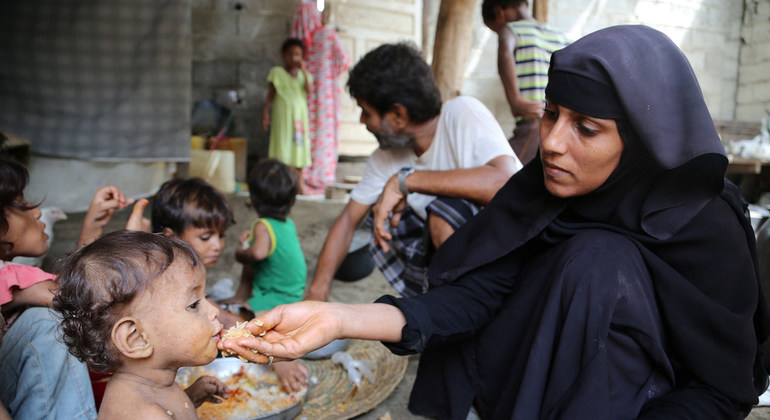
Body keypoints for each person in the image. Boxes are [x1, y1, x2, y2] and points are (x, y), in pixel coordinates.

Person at [220, 25, 770, 419]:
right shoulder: (545, 192)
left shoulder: (704, 222)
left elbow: (721, 390)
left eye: (587, 127)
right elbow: (476, 299)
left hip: (656, 402)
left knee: (601, 261)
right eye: (551, 114)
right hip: (539, 385)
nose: (551, 143)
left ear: (642, 141)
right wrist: (337, 318)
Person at [304, 42, 520, 301]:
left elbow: (505, 182)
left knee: (446, 211)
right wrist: (317, 292)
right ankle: (444, 302)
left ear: (398, 114)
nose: (363, 121)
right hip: (457, 265)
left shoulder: (462, 113)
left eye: (366, 112)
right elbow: (348, 222)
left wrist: (406, 181)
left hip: (513, 254)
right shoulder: (385, 159)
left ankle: (468, 308)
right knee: (377, 213)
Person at [0, 158, 149, 420]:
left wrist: (92, 229)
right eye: (23, 205)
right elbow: (84, 298)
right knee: (48, 322)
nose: (36, 212)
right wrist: (133, 250)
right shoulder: (7, 276)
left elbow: (73, 289)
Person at [149, 177, 309, 392]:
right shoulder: (162, 280)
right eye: (206, 237)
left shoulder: (189, 274)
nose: (218, 245)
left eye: (221, 235)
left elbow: (212, 309)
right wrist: (271, 353)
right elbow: (215, 314)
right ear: (170, 236)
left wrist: (271, 350)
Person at [52, 231, 230, 418]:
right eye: (193, 305)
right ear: (136, 338)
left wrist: (189, 398)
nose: (214, 311)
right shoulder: (144, 414)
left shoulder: (150, 384)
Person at [481, 0, 568, 165]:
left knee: (505, 172)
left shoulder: (511, 29)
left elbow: (505, 51)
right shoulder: (559, 35)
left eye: (494, 28)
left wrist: (515, 100)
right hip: (557, 121)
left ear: (499, 12)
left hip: (533, 120)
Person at [223, 159, 306, 313]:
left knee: (232, 315)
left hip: (273, 297)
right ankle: (241, 296)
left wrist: (240, 252)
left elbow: (258, 253)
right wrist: (250, 243)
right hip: (293, 294)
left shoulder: (262, 225)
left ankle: (242, 300)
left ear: (253, 198)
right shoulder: (288, 224)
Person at [304, 4, 350, 195]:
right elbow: (344, 61)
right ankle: (321, 178)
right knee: (325, 133)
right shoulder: (329, 35)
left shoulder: (307, 38)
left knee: (311, 132)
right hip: (326, 92)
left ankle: (308, 176)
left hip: (308, 92)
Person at [262, 38, 313, 194]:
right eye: (290, 54)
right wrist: (265, 113)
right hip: (282, 117)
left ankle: (300, 184)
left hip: (299, 117)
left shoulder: (306, 75)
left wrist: (303, 70)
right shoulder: (277, 73)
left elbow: (309, 91)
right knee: (282, 146)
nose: (294, 58)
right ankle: (281, 185)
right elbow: (271, 95)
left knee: (299, 146)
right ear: (283, 55)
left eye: (298, 55)